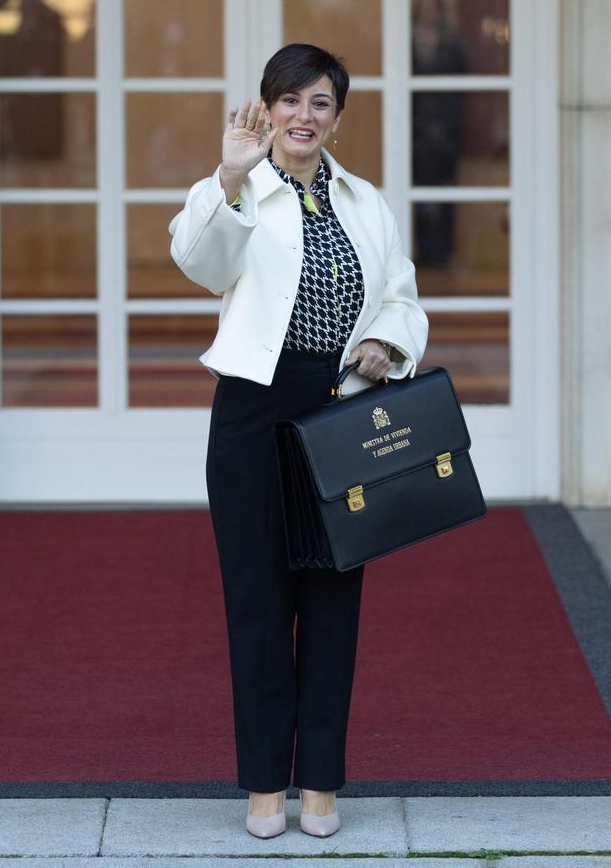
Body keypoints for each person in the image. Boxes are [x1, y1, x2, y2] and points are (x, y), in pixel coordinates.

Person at [168, 43, 428, 840]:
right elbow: (199, 261)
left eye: (320, 103)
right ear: (267, 109)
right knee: (257, 603)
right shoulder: (239, 190)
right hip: (252, 413)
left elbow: (401, 296)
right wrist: (229, 178)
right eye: (290, 101)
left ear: (337, 118)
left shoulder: (364, 202)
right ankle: (260, 786)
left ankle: (319, 783)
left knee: (331, 602)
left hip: (336, 412)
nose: (303, 116)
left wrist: (386, 342)